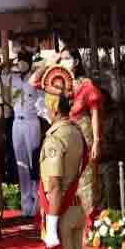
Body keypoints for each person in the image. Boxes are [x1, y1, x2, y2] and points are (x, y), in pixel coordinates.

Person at [39, 68, 90, 249]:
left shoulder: (55, 138)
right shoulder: (75, 131)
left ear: (52, 106)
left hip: (60, 212)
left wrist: (50, 225)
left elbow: (55, 185)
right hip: (75, 208)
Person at [30, 47, 103, 229]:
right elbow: (33, 81)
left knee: (85, 179)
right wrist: (50, 62)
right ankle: (60, 220)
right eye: (61, 59)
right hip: (61, 134)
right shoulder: (55, 83)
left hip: (82, 132)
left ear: (76, 62)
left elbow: (94, 113)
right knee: (60, 177)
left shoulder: (85, 85)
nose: (63, 62)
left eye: (67, 58)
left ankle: (87, 223)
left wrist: (96, 141)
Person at [9, 50, 46, 218]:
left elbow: (41, 101)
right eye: (19, 60)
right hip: (17, 122)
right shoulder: (14, 78)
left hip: (31, 121)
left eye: (24, 60)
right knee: (21, 163)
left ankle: (36, 202)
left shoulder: (35, 79)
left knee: (33, 162)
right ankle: (25, 202)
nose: (21, 63)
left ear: (30, 63)